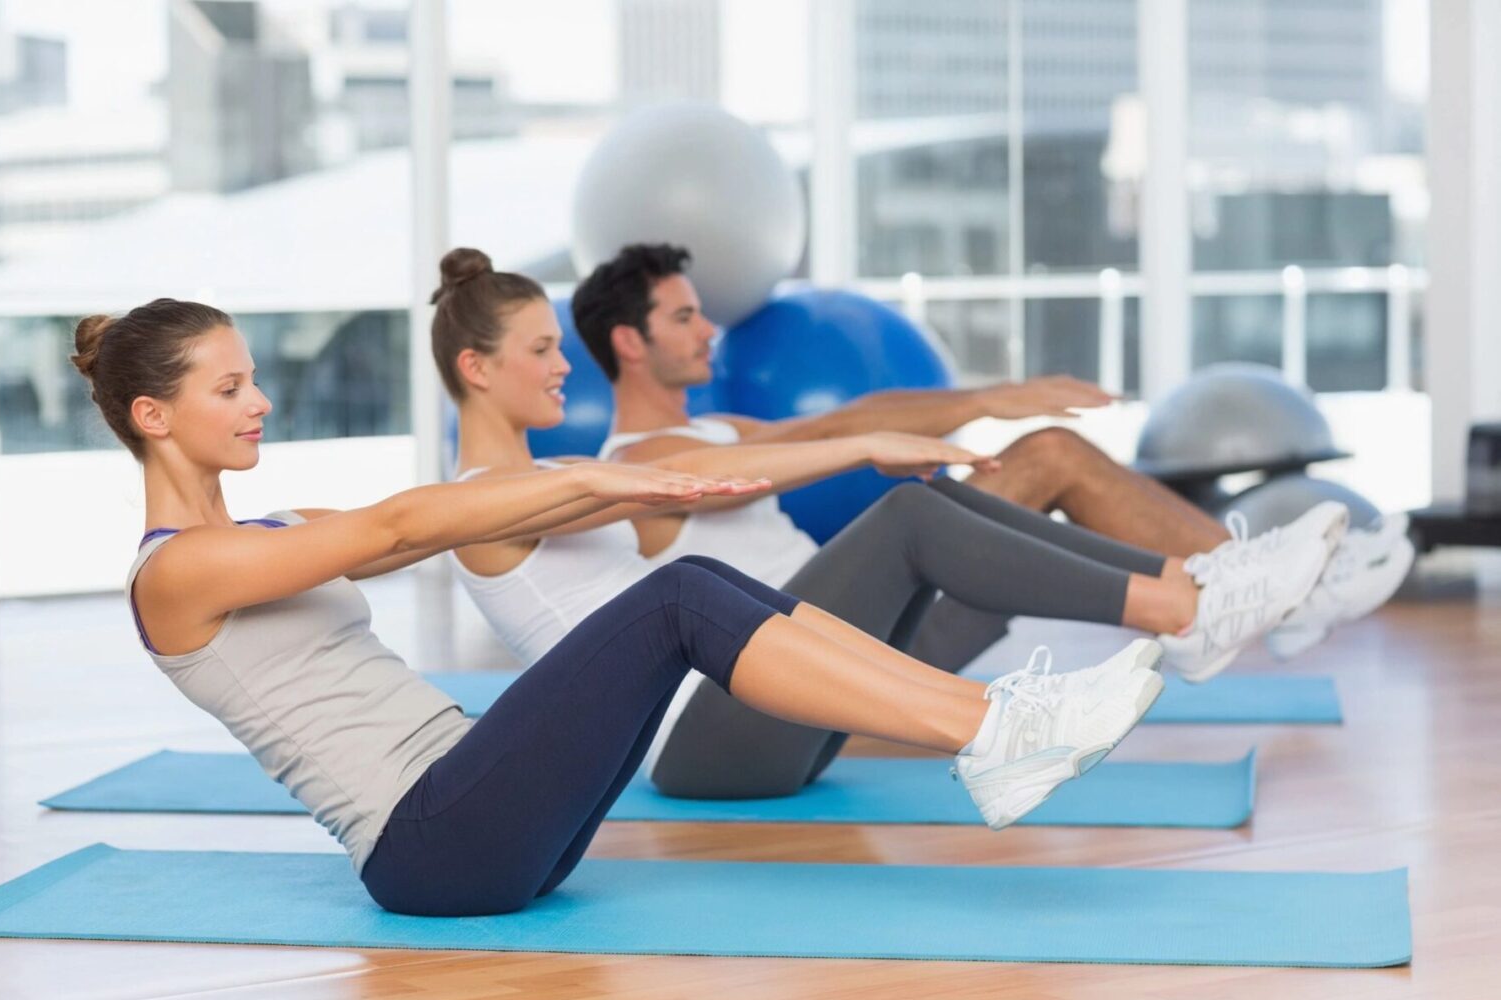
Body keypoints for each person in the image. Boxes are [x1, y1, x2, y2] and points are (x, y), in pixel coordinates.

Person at [74, 295, 1170, 919]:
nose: (259, 399)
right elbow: (398, 529)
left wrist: (587, 481)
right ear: (152, 416)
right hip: (433, 847)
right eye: (228, 388)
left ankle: (996, 731)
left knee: (711, 591)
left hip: (484, 808)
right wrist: (601, 480)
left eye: (250, 376)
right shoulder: (175, 573)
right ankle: (991, 734)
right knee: (680, 598)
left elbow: (448, 509)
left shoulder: (260, 539)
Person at [438, 247, 1340, 799]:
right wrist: (866, 442)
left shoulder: (558, 471)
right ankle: (1185, 609)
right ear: (479, 369)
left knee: (932, 502)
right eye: (541, 349)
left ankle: (1193, 598)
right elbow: (679, 478)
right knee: (909, 511)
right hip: (696, 744)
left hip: (772, 711)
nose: (564, 366)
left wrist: (903, 425)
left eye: (560, 344)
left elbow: (710, 465)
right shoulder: (482, 501)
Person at [572, 243, 1416, 663]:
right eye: (683, 317)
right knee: (1045, 456)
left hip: (875, 626)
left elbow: (848, 415)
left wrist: (983, 399)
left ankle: (1254, 592)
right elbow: (802, 443)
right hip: (835, 658)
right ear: (629, 342)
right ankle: (1250, 597)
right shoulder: (634, 466)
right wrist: (962, 411)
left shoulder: (719, 428)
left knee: (1048, 449)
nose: (707, 328)